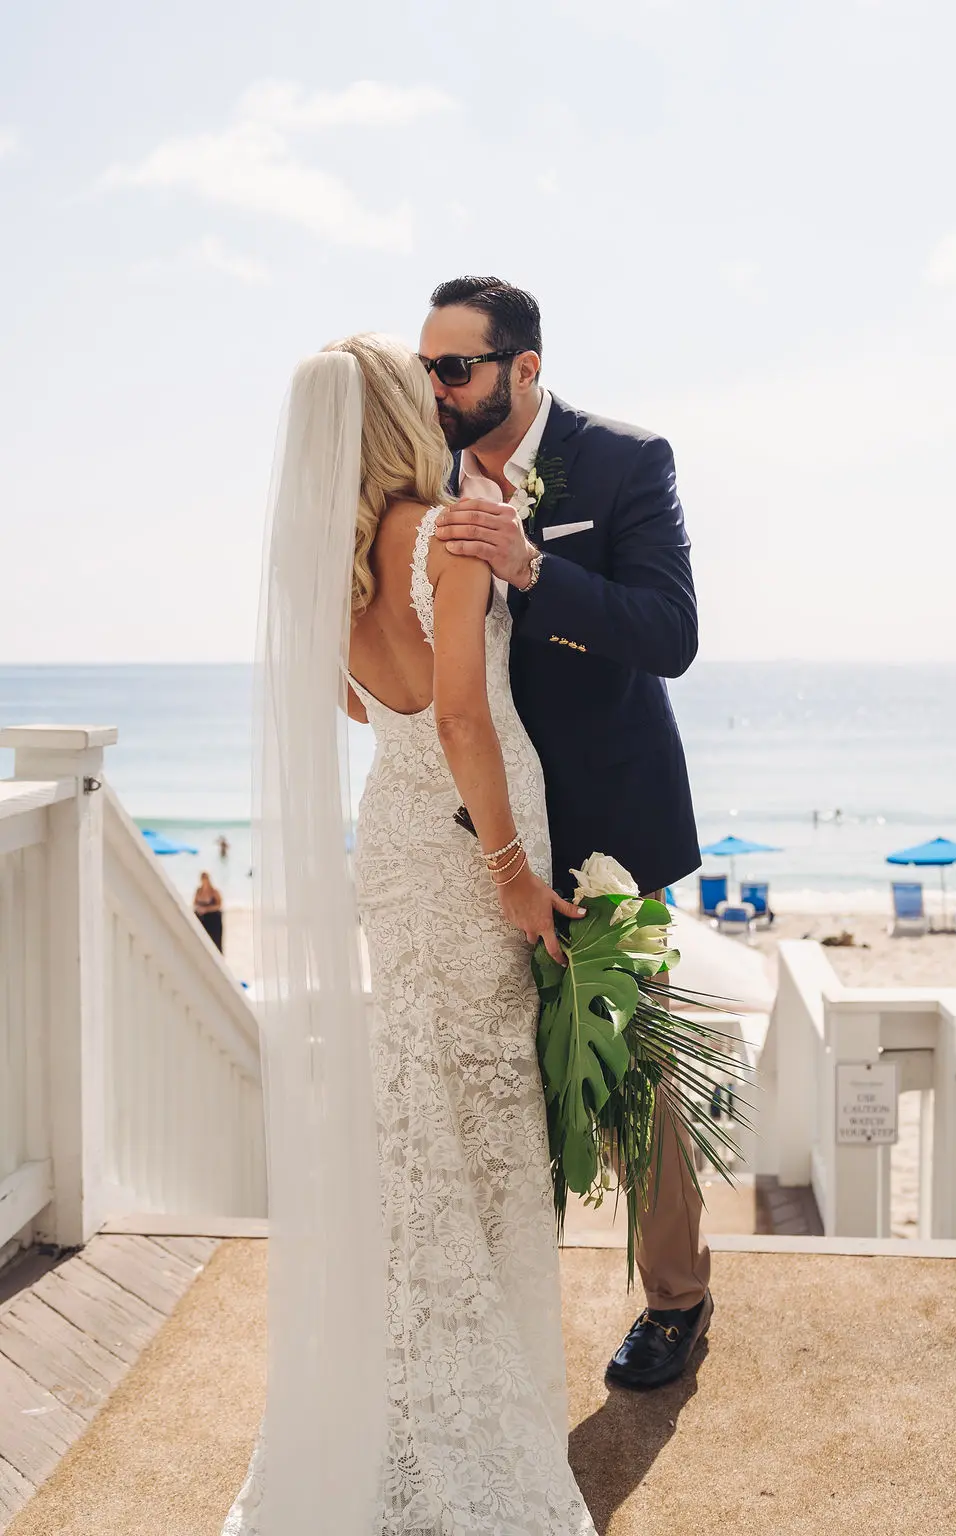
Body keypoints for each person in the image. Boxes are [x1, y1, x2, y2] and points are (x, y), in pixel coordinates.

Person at [220, 337, 596, 1534]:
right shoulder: (447, 534)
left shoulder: (324, 568)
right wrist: (511, 874)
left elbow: (359, 701)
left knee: (421, 1101)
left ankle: (406, 1385)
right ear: (397, 415)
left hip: (393, 842)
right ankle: (475, 1405)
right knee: (484, 1109)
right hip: (466, 846)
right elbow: (461, 718)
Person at [422, 276, 711, 1392]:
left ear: (523, 368)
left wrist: (534, 566)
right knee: (497, 1072)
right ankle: (502, 1311)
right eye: (427, 369)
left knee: (634, 1069)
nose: (438, 388)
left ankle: (675, 1300)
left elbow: (671, 635)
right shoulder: (423, 476)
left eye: (456, 368)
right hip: (475, 832)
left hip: (607, 827)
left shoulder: (626, 462)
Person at [192, 871, 223, 952]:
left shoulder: (214, 891)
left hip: (213, 919)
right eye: (203, 879)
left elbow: (219, 905)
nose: (204, 881)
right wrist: (199, 909)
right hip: (201, 918)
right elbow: (194, 903)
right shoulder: (198, 891)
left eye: (205, 878)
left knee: (215, 942)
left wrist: (207, 909)